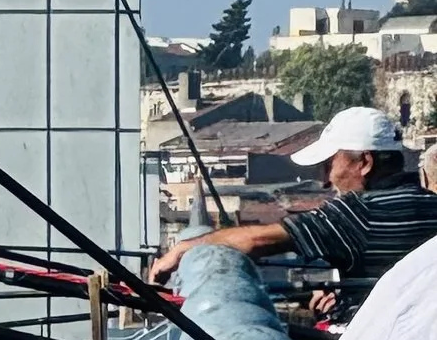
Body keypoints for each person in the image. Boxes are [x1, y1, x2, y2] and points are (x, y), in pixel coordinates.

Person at [152, 107, 437, 321]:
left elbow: (259, 241)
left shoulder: (358, 213)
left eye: (329, 166)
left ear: (364, 163)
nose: (326, 180)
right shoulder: (430, 206)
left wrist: (184, 249)